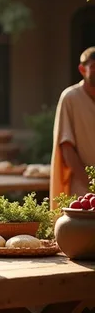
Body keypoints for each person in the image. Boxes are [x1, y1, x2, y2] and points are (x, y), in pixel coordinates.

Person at [51, 46, 95, 208]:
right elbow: (66, 146)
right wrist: (91, 185)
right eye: (94, 67)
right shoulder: (71, 97)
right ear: (82, 69)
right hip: (82, 186)